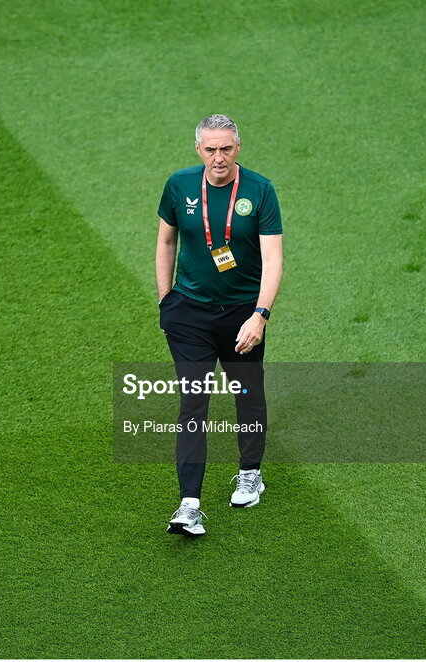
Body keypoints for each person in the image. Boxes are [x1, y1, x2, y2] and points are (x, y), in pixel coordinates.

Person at [155, 114, 284, 536]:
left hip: (241, 314)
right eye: (210, 149)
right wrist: (165, 299)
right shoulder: (179, 185)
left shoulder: (260, 190)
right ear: (198, 150)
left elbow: (273, 259)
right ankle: (188, 504)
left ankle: (250, 473)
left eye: (225, 148)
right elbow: (166, 240)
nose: (218, 158)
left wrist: (260, 316)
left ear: (238, 147)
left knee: (248, 394)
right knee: (193, 404)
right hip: (190, 314)